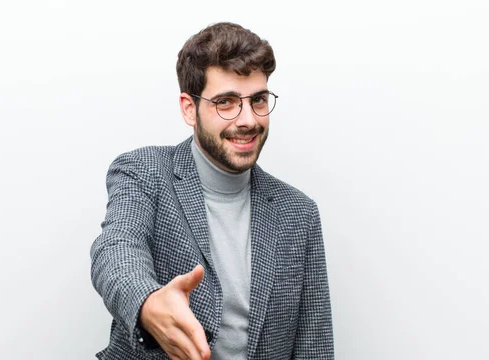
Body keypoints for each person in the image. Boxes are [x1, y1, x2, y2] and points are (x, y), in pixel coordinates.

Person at [90, 22, 334, 360]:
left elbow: (314, 347)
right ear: (190, 108)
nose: (248, 119)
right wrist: (148, 302)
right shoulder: (143, 172)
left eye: (258, 100)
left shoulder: (300, 213)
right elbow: (116, 250)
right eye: (226, 102)